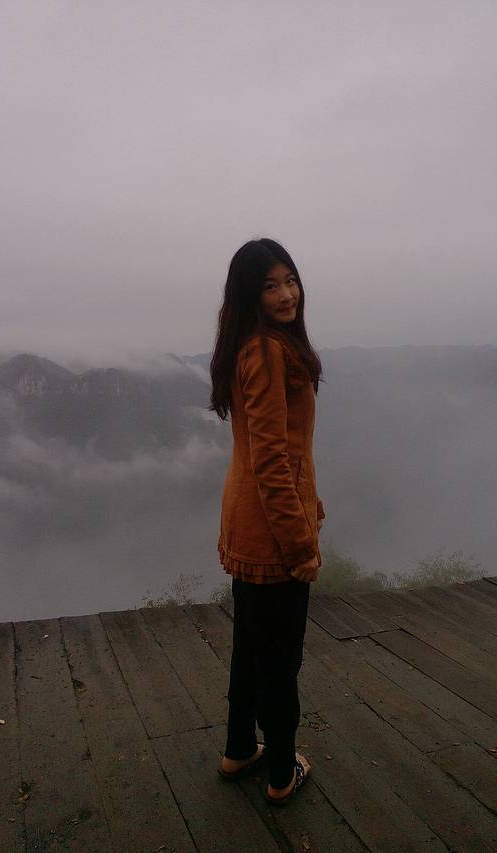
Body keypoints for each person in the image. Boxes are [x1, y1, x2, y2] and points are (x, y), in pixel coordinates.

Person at [209, 237, 325, 806]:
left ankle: (239, 749)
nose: (286, 295)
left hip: (248, 525)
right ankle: (282, 773)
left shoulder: (250, 347)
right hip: (274, 531)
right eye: (270, 285)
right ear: (250, 295)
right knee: (280, 658)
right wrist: (301, 545)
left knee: (250, 646)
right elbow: (273, 462)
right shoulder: (269, 353)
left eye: (290, 280)